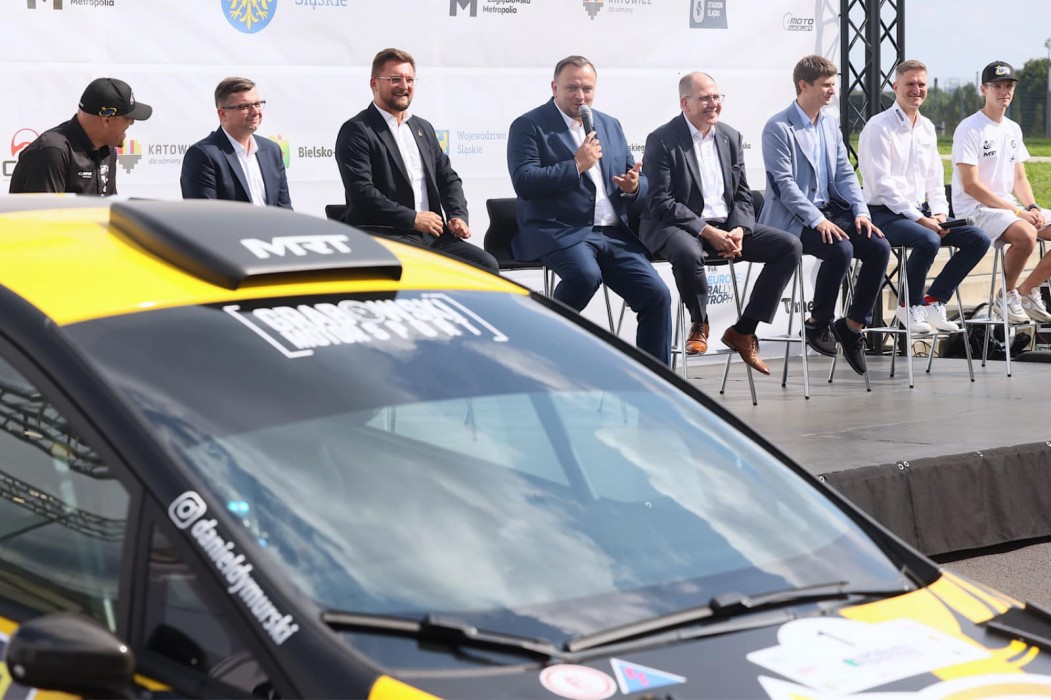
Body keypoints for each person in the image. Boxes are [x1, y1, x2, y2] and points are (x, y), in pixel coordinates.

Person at [507, 55, 671, 363]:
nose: (580, 96)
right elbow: (524, 181)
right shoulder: (529, 125)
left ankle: (655, 380)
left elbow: (637, 179)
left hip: (613, 233)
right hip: (561, 229)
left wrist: (633, 186)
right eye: (572, 88)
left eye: (587, 89)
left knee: (657, 295)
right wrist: (575, 165)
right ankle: (539, 348)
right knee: (584, 275)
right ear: (554, 87)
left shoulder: (609, 124)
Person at [639, 72, 801, 375]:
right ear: (685, 103)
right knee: (688, 253)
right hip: (676, 226)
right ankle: (699, 323)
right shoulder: (661, 139)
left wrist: (739, 229)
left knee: (788, 246)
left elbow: (742, 194)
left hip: (725, 225)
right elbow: (660, 201)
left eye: (716, 97)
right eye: (704, 98)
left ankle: (744, 330)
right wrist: (707, 231)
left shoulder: (730, 136)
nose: (713, 103)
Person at [759, 54, 890, 376]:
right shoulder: (778, 127)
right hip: (793, 219)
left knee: (878, 246)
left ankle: (852, 326)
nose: (833, 90)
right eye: (826, 85)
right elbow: (784, 186)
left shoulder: (830, 123)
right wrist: (818, 221)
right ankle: (818, 322)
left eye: (834, 84)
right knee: (839, 249)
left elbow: (845, 173)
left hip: (831, 211)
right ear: (804, 85)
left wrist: (861, 212)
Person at [335, 48, 498, 274]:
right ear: (374, 84)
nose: (404, 86)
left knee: (485, 266)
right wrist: (413, 218)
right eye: (395, 79)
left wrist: (457, 216)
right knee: (418, 271)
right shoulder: (357, 130)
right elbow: (362, 193)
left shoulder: (423, 128)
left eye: (410, 80)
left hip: (433, 236)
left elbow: (448, 178)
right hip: (386, 235)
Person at [859, 60, 990, 334]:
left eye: (921, 84)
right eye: (910, 84)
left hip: (921, 213)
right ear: (895, 87)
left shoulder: (927, 127)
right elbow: (882, 185)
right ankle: (909, 305)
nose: (916, 90)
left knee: (978, 238)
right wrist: (921, 220)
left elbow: (935, 179)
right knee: (928, 239)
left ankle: (934, 300)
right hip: (882, 214)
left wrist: (939, 213)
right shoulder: (878, 126)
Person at [951, 60, 1051, 324]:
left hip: (1008, 208)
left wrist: (1032, 207)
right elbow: (971, 186)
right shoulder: (969, 128)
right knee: (1026, 234)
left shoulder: (1012, 128)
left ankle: (1027, 291)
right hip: (976, 210)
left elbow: (1019, 177)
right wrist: (1018, 212)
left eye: (1009, 86)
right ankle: (1005, 296)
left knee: (1031, 225)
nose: (1004, 91)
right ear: (983, 89)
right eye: (997, 86)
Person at [9, 77, 152, 195]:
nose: (132, 122)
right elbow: (44, 218)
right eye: (128, 117)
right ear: (106, 120)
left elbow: (108, 210)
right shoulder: (52, 151)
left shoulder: (107, 149)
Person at [181, 77, 292, 208]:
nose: (255, 112)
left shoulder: (272, 150)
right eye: (244, 106)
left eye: (257, 104)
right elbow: (205, 215)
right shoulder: (202, 155)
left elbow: (284, 211)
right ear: (223, 114)